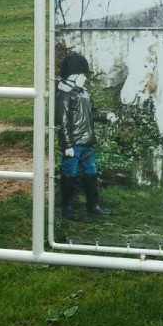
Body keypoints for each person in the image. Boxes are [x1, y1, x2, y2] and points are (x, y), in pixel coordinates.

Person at [55, 52, 115, 220]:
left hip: (87, 143)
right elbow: (63, 123)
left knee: (91, 172)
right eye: (83, 75)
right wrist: (67, 146)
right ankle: (68, 208)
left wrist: (106, 116)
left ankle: (93, 205)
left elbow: (93, 112)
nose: (85, 78)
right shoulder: (65, 96)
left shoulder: (84, 94)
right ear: (73, 76)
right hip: (73, 145)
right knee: (70, 174)